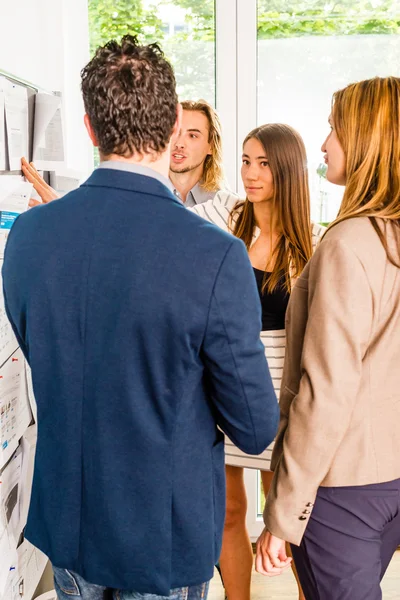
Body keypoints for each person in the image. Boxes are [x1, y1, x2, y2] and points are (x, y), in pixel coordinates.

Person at [3, 35, 279, 600]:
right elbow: (254, 425)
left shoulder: (28, 235)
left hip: (68, 522)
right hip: (163, 534)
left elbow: (52, 357)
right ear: (175, 122)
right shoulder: (216, 253)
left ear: (88, 127)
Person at [256, 75, 400, 600]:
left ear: (365, 143)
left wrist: (283, 511)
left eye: (333, 130)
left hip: (344, 489)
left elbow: (326, 391)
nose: (322, 144)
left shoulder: (348, 242)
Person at [190, 123, 325, 600]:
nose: (250, 173)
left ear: (287, 169)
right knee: (227, 510)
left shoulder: (314, 240)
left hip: (281, 398)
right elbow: (159, 209)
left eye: (264, 163)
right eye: (246, 160)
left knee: (285, 515)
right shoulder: (227, 216)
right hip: (225, 386)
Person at [21, 99, 224, 207]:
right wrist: (68, 211)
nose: (179, 143)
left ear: (211, 146)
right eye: (176, 133)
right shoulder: (135, 194)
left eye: (193, 136)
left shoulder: (226, 207)